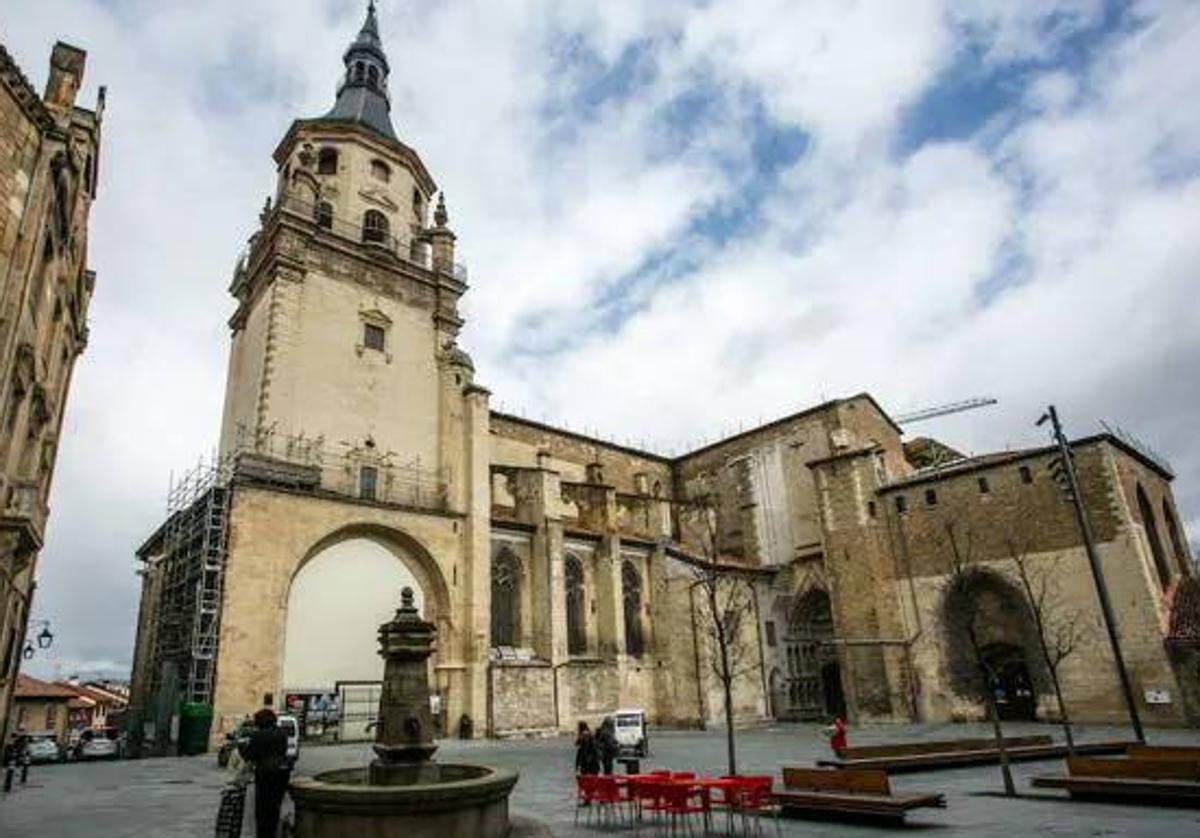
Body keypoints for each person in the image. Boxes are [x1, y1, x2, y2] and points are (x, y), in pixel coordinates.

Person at [239, 708, 291, 837]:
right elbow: (283, 751)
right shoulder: (282, 733)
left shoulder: (258, 735)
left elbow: (249, 755)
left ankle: (264, 833)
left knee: (263, 807)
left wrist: (242, 746)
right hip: (282, 772)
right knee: (275, 804)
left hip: (266, 773)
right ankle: (275, 830)